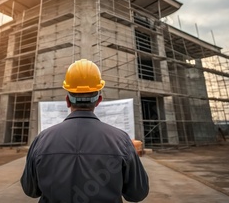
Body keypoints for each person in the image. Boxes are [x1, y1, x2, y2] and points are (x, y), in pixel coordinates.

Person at [21, 59, 149, 203]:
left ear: (67, 101)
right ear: (99, 100)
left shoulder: (41, 140)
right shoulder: (121, 141)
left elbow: (30, 190)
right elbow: (138, 193)